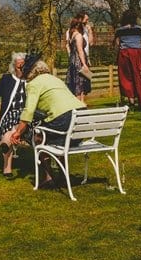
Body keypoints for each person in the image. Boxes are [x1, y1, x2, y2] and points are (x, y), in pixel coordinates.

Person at [8, 54, 85, 189]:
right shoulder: (55, 79)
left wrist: (18, 132)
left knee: (38, 138)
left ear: (30, 72)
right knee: (57, 138)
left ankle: (48, 177)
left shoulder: (33, 84)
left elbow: (29, 111)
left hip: (64, 120)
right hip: (80, 122)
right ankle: (63, 173)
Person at [0, 52, 27, 178]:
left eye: (23, 66)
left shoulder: (32, 80)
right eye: (19, 66)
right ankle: (7, 167)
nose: (21, 69)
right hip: (9, 116)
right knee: (11, 124)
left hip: (27, 115)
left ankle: (6, 144)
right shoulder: (7, 79)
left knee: (14, 127)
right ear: (13, 66)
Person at [114, 9, 141, 108]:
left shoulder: (120, 30)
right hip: (138, 53)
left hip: (125, 54)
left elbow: (118, 43)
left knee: (126, 78)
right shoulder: (139, 29)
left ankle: (131, 102)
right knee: (139, 77)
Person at [66, 17, 92, 102]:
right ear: (77, 25)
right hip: (79, 61)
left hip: (72, 60)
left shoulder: (71, 35)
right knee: (80, 82)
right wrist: (84, 64)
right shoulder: (78, 36)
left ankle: (79, 104)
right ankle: (80, 104)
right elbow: (80, 50)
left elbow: (69, 47)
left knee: (75, 82)